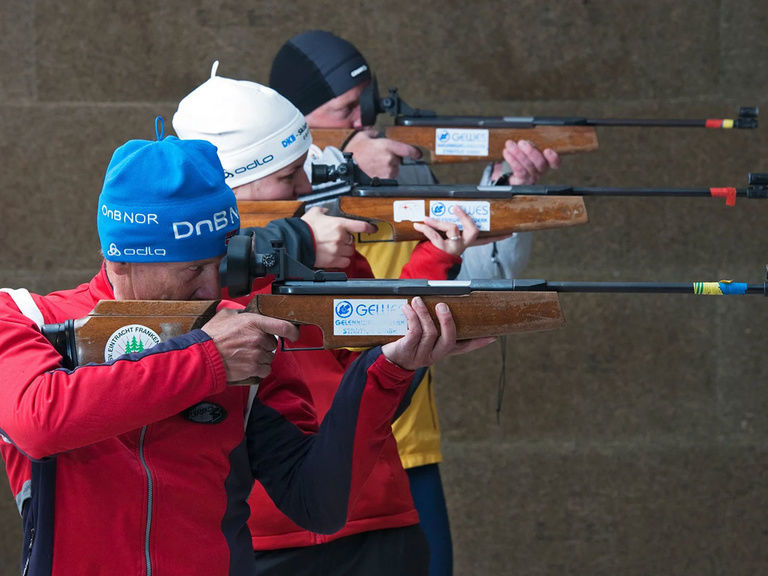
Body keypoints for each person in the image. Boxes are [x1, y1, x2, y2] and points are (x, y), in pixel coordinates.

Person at [0, 124, 492, 575]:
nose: (214, 289)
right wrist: (206, 361)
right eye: (193, 271)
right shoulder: (27, 317)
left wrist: (388, 368)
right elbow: (38, 421)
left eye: (221, 265)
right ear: (124, 258)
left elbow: (316, 501)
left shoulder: (238, 340)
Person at [269, 30, 561, 576]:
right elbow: (274, 239)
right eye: (345, 110)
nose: (364, 120)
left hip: (407, 442)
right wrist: (338, 167)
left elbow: (471, 276)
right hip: (312, 449)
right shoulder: (272, 197)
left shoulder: (399, 174)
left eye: (367, 105)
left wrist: (505, 187)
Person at [172, 65, 484, 575]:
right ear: (233, 185)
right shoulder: (182, 277)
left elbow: (376, 380)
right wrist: (290, 242)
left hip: (375, 513)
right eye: (286, 177)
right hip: (261, 536)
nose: (306, 186)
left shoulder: (322, 250)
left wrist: (434, 263)